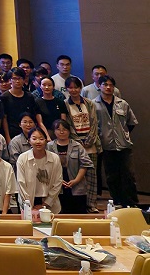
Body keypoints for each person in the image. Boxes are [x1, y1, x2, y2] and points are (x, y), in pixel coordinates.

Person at [93, 75, 139, 207]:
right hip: (106, 145)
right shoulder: (93, 104)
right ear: (99, 86)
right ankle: (117, 201)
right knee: (111, 176)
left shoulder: (122, 104)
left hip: (124, 145)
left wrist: (123, 134)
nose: (108, 87)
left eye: (111, 85)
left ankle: (131, 202)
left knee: (128, 174)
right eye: (105, 84)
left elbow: (131, 122)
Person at [63, 75, 100, 213]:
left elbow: (94, 123)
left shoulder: (89, 103)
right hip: (75, 144)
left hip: (91, 144)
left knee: (92, 176)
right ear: (67, 89)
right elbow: (67, 125)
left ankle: (92, 205)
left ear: (80, 88)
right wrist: (78, 141)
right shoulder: (65, 105)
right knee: (76, 175)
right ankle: (79, 205)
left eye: (76, 87)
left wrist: (89, 140)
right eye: (70, 87)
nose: (73, 90)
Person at [49, 119, 93, 214]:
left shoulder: (77, 146)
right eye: (58, 129)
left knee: (78, 214)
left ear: (69, 131)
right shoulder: (49, 146)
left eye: (64, 129)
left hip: (77, 186)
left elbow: (85, 164)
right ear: (54, 131)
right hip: (56, 187)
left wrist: (76, 180)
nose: (61, 132)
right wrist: (58, 181)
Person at [16, 127, 63, 213]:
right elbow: (21, 183)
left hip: (50, 202)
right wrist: (29, 206)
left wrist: (45, 204)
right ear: (29, 141)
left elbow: (58, 182)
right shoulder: (22, 158)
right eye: (34, 139)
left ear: (46, 140)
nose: (38, 142)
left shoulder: (54, 158)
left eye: (41, 139)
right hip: (28, 201)